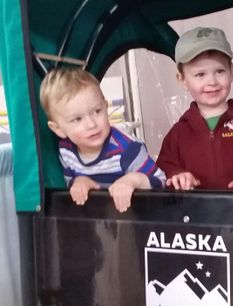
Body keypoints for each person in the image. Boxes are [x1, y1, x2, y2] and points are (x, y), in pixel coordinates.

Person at [156, 26, 233, 190]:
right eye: (200, 74)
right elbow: (162, 173)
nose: (212, 82)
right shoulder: (177, 135)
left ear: (232, 72)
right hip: (197, 207)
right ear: (182, 80)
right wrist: (177, 175)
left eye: (220, 71)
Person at [39, 68, 165, 212]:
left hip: (134, 216)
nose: (91, 124)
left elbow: (161, 181)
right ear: (58, 129)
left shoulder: (128, 148)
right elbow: (68, 184)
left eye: (97, 111)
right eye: (77, 119)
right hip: (96, 218)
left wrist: (133, 180)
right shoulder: (66, 151)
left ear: (105, 107)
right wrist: (78, 182)